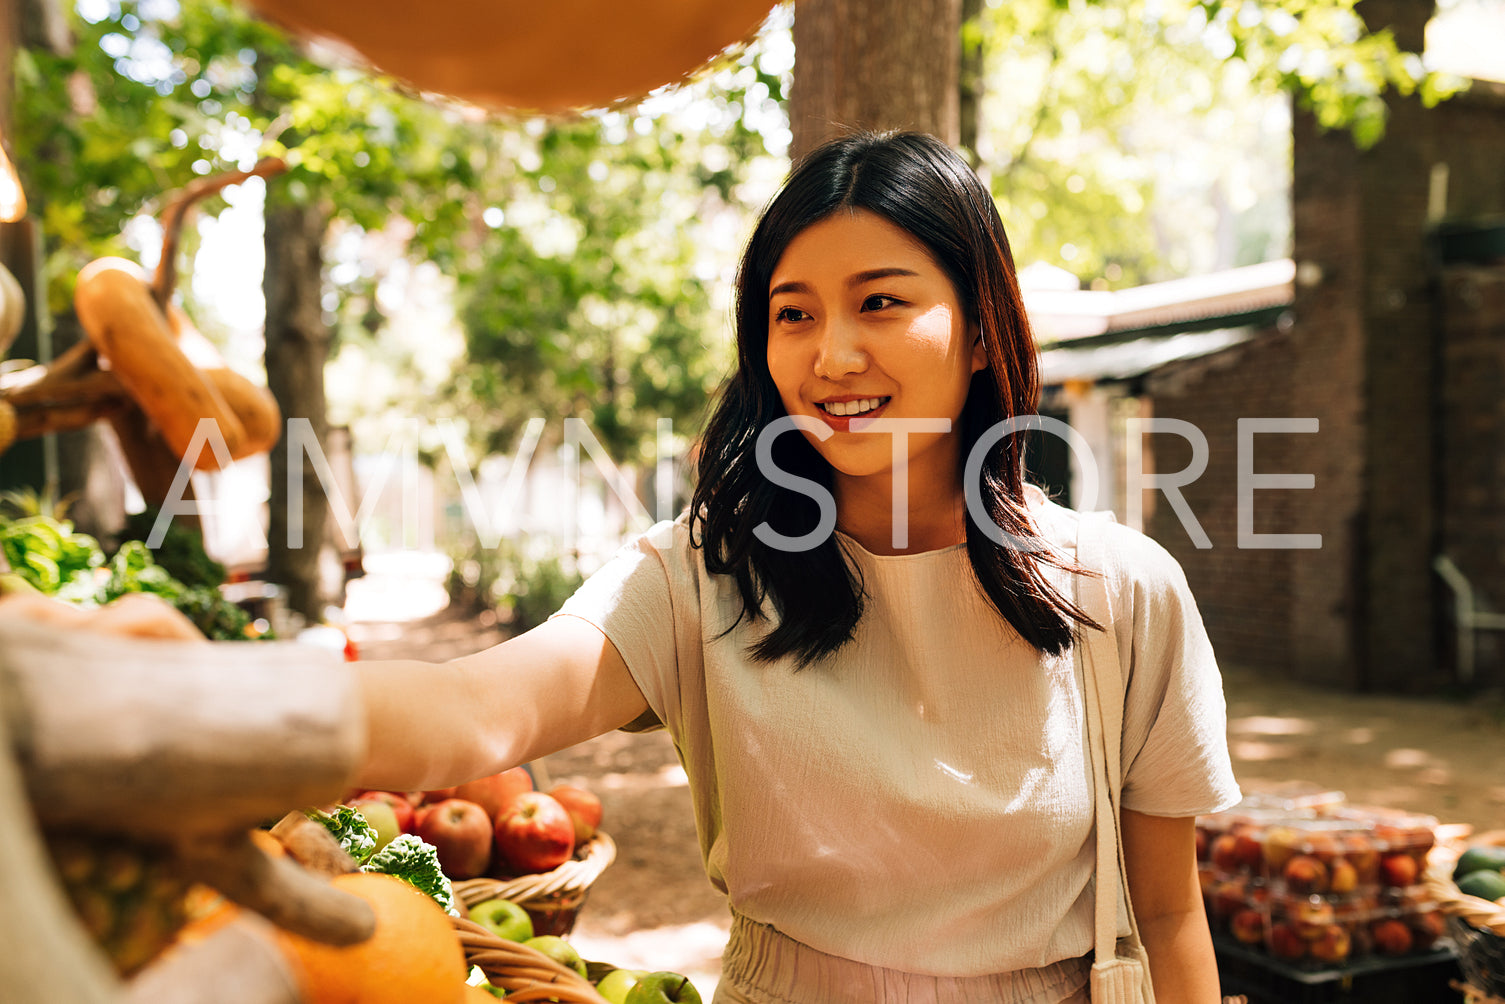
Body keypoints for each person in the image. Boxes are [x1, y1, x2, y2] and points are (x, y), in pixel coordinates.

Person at [3, 132, 1240, 1003]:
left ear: (976, 326)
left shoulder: (1121, 592)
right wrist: (181, 707)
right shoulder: (703, 576)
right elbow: (478, 706)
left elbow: (1172, 917)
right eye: (792, 312)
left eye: (881, 300)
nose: (830, 351)